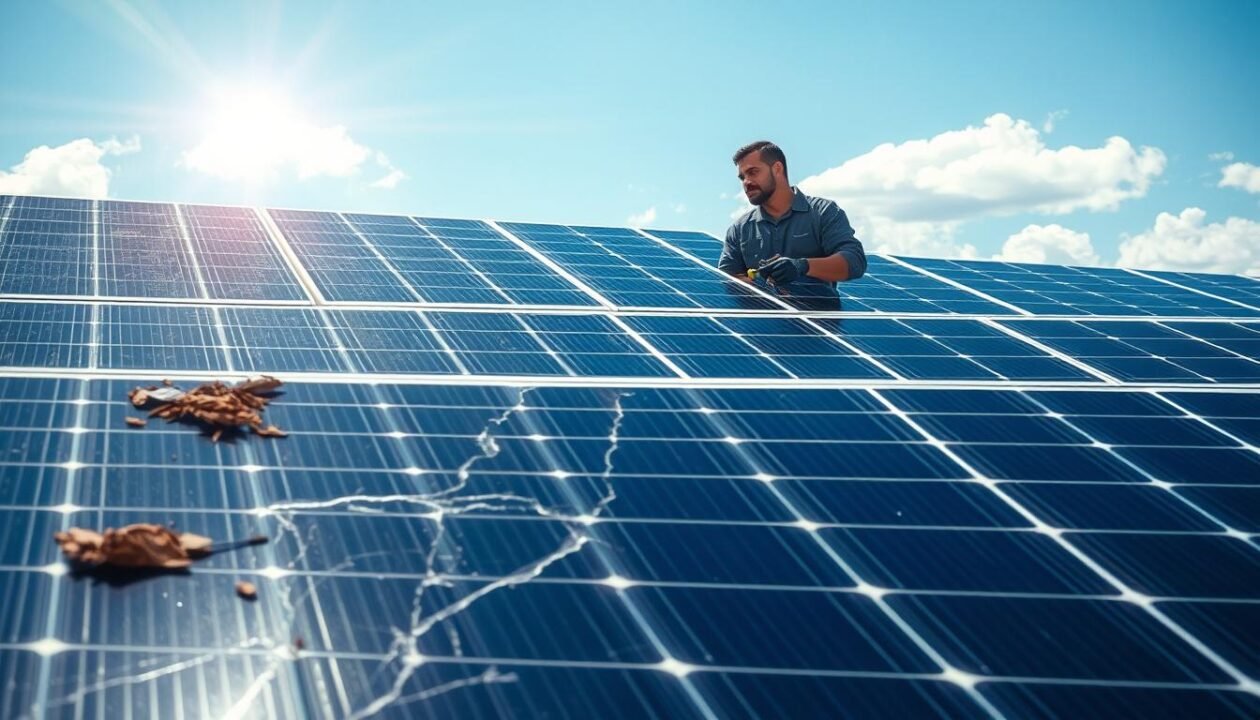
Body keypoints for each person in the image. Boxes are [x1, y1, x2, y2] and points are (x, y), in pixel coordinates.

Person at [719, 140, 866, 309]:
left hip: (819, 321)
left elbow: (854, 261)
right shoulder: (739, 229)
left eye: (753, 172)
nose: (746, 182)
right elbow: (726, 279)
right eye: (742, 177)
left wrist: (802, 266)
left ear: (777, 169)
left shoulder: (822, 212)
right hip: (761, 322)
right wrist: (759, 284)